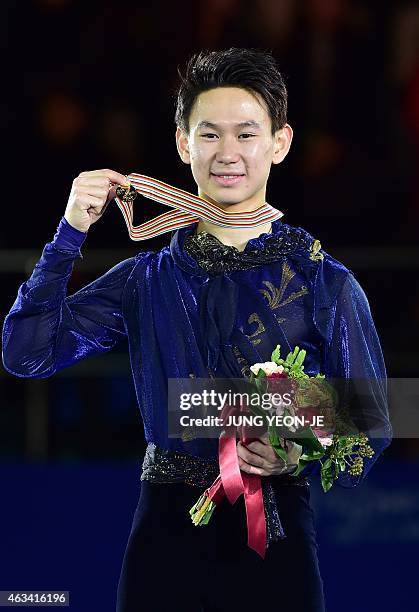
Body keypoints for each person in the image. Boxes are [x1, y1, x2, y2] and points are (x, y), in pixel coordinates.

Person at [2, 48, 392, 612]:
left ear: (279, 143)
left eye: (246, 134)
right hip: (164, 535)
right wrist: (69, 234)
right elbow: (25, 353)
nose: (227, 154)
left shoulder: (322, 281)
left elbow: (374, 414)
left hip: (275, 533)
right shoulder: (145, 278)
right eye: (210, 135)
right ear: (183, 143)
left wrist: (295, 450)